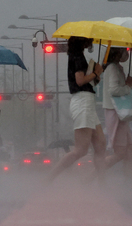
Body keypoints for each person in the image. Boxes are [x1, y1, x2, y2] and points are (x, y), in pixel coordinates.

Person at [44, 36, 106, 183]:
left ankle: (102, 183)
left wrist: (95, 75)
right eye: (88, 40)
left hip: (87, 102)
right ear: (82, 42)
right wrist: (96, 73)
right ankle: (49, 178)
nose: (90, 43)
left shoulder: (78, 56)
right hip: (82, 101)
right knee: (81, 150)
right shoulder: (77, 57)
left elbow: (84, 79)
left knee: (101, 144)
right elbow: (80, 81)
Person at [102, 47, 132, 179]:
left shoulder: (116, 68)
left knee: (129, 150)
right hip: (116, 112)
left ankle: (129, 183)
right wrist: (128, 86)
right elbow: (114, 90)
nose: (126, 53)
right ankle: (91, 176)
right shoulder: (113, 69)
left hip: (120, 112)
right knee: (121, 152)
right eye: (123, 50)